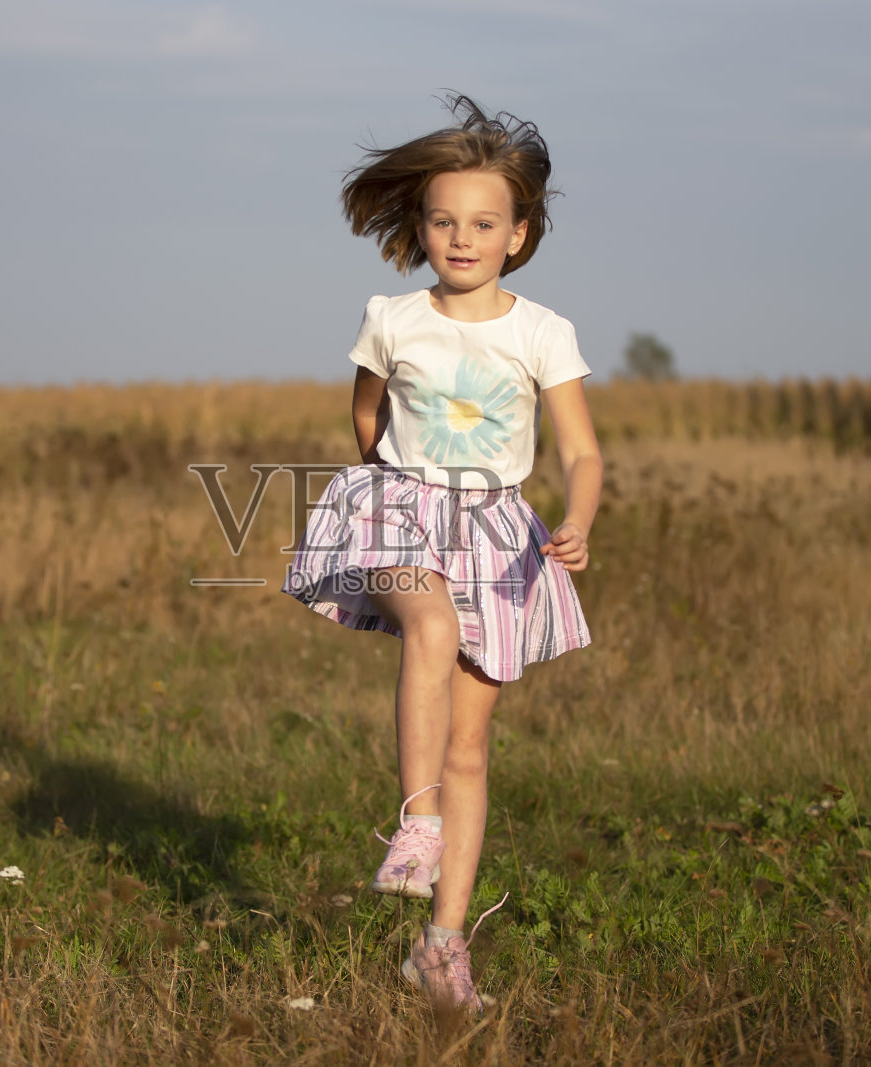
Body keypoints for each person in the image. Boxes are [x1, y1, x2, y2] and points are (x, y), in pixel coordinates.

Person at [282, 95, 601, 1012]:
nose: (461, 238)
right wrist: (391, 487)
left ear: (520, 232)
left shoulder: (542, 332)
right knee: (428, 619)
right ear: (422, 225)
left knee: (473, 749)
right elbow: (365, 417)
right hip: (398, 512)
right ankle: (415, 820)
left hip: (499, 531)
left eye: (484, 223)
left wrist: (576, 517)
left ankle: (443, 947)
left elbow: (581, 448)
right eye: (444, 220)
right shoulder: (392, 315)